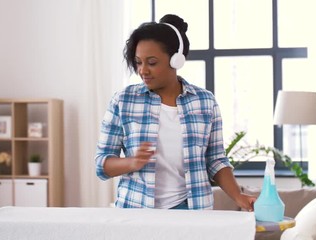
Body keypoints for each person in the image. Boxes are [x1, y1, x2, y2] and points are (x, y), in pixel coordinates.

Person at [95, 14, 256, 210]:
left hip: (192, 210)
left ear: (176, 60)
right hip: (136, 210)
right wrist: (132, 162)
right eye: (138, 62)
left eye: (152, 62)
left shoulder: (205, 102)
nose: (143, 70)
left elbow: (216, 160)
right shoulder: (123, 101)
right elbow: (102, 164)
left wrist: (238, 196)